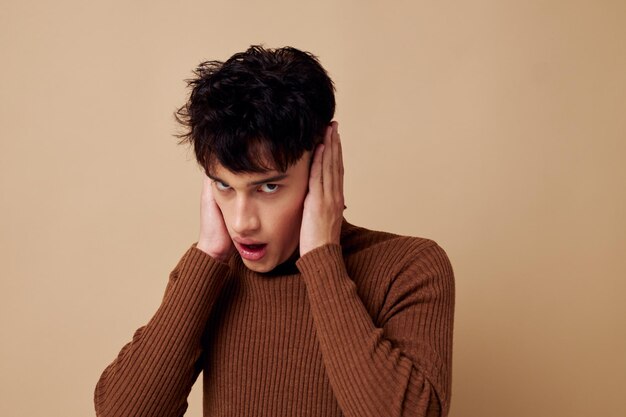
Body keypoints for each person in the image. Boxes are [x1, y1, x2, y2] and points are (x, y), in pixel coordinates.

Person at [94, 45, 455, 417]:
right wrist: (209, 257)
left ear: (322, 165)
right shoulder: (210, 276)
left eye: (268, 188)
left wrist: (321, 260)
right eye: (224, 186)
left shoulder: (409, 267)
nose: (241, 222)